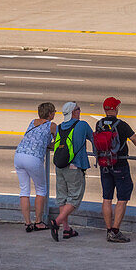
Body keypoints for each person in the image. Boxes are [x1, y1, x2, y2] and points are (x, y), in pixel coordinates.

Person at [95, 96, 136, 243]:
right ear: (115, 109)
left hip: (104, 165)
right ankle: (115, 231)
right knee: (122, 198)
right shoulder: (121, 125)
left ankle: (109, 229)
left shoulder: (99, 124)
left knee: (107, 198)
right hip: (120, 165)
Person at [50, 101, 95, 241]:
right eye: (78, 109)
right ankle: (56, 223)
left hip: (60, 165)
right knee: (74, 198)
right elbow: (94, 140)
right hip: (75, 166)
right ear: (74, 112)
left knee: (62, 197)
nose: (80, 111)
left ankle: (67, 229)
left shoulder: (59, 127)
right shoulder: (82, 125)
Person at [14, 101, 56, 231]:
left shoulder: (32, 122)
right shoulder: (52, 125)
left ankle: (27, 223)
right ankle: (38, 222)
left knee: (24, 190)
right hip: (33, 158)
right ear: (50, 114)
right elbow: (58, 142)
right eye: (54, 111)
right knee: (41, 190)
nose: (55, 113)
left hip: (19, 154)